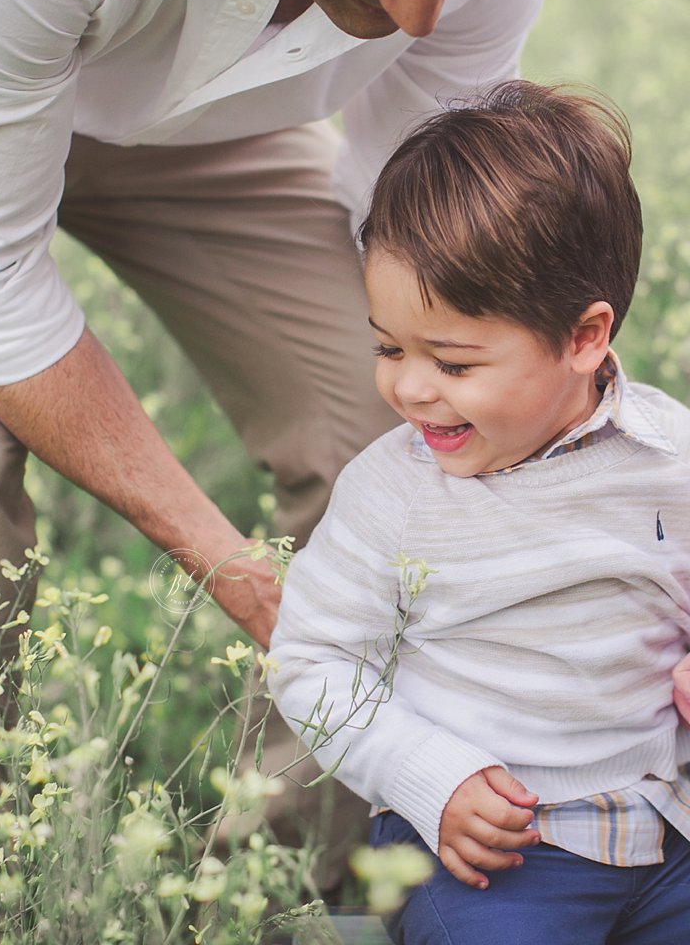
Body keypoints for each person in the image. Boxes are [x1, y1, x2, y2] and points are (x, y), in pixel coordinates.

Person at [0, 0, 571, 894]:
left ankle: (260, 897)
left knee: (423, 433)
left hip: (197, 113)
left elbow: (430, 248)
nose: (414, 13)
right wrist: (239, 574)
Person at [269, 81, 690, 944]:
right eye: (388, 347)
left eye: (454, 363)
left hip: (668, 826)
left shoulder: (669, 457)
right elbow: (313, 659)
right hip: (489, 852)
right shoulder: (394, 490)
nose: (409, 389)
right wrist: (429, 775)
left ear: (583, 338)